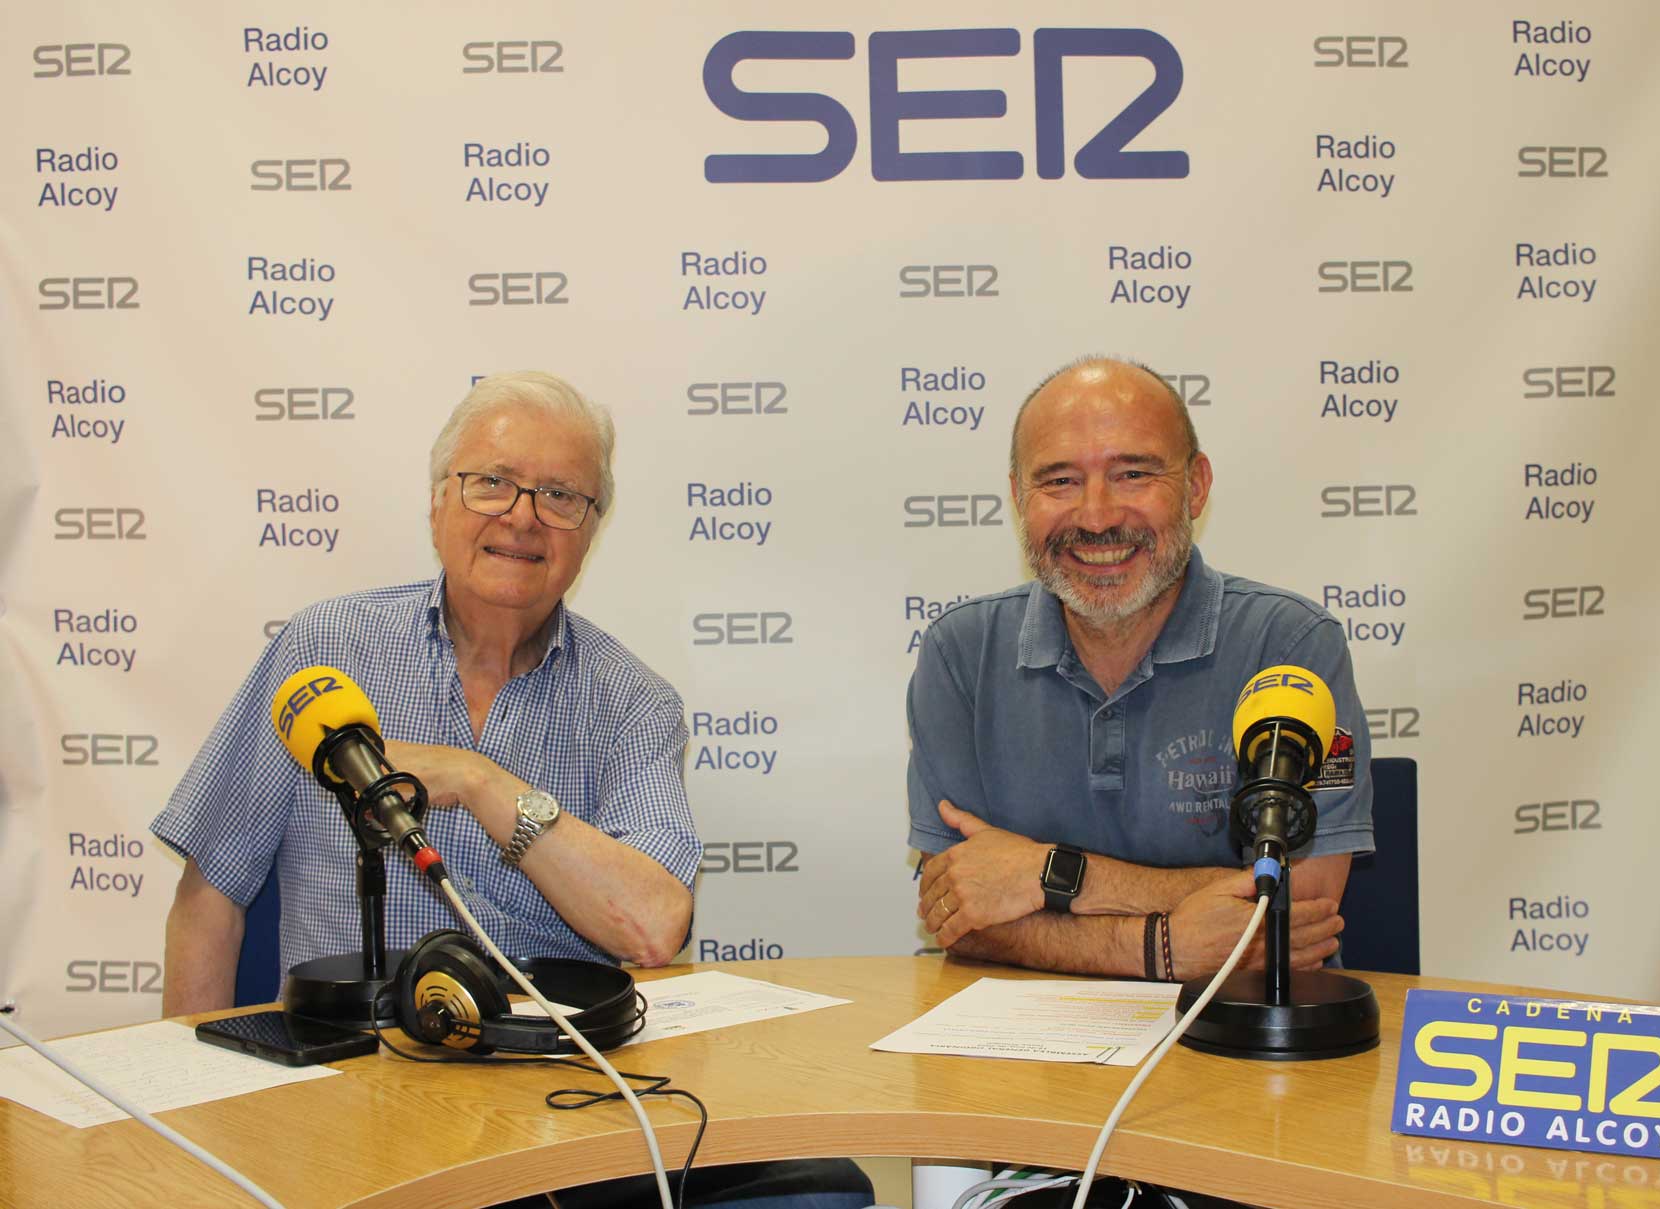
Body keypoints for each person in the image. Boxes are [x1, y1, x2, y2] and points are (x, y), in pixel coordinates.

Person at [154, 370, 870, 1209]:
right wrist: (187, 1128)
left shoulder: (633, 703)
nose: (522, 515)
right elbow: (211, 897)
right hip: (346, 1109)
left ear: (590, 530)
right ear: (436, 503)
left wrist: (480, 781)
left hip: (562, 1116)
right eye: (491, 482)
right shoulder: (325, 652)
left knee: (823, 1192)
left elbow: (651, 924)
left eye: (560, 495)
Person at [908, 357, 1373, 983]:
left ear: (1196, 486)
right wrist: (1161, 947)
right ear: (1019, 497)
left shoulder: (1290, 645)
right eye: (1060, 481)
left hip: (1244, 1045)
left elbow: (1299, 909)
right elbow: (957, 909)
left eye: (1132, 474)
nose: (1097, 517)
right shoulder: (959, 653)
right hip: (1022, 1054)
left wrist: (1045, 873)